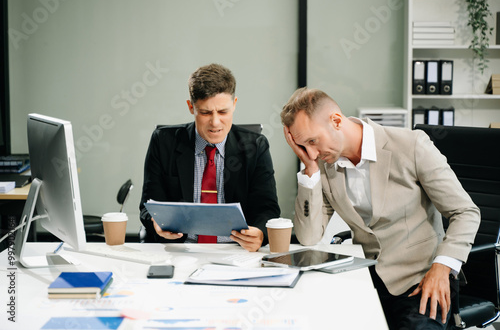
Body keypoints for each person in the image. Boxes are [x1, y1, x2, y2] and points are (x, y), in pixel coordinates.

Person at [281, 87, 480, 329]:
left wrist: (442, 267)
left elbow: (465, 212)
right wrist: (309, 170)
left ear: (335, 120)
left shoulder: (411, 145)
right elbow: (308, 236)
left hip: (420, 281)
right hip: (366, 278)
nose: (312, 152)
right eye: (303, 146)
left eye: (313, 141)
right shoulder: (323, 165)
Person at [139, 63, 280, 252]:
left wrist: (261, 234)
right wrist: (156, 223)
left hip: (235, 250)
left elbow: (268, 209)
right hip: (179, 250)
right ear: (191, 107)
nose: (215, 123)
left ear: (234, 104)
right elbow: (148, 206)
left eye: (223, 112)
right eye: (205, 112)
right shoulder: (163, 142)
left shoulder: (255, 146)